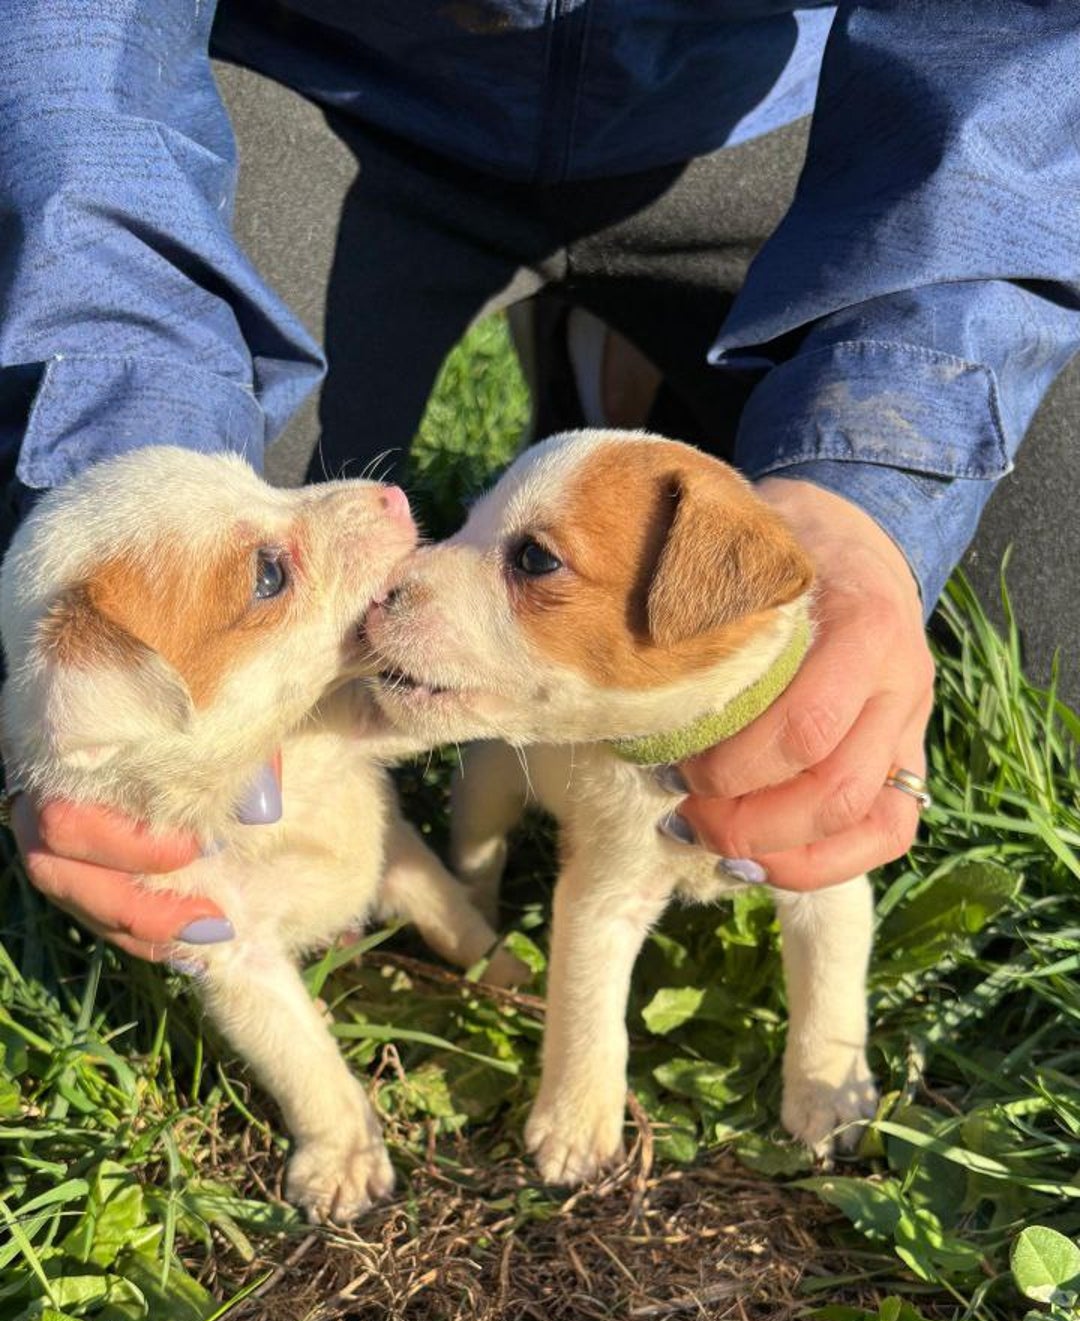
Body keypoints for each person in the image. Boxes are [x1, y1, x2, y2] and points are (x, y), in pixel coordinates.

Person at [3, 1, 1078, 965]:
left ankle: (611, 384)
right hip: (320, 85)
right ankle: (611, 393)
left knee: (1051, 644)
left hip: (795, 129)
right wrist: (127, 477)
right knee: (252, 639)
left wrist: (875, 484)